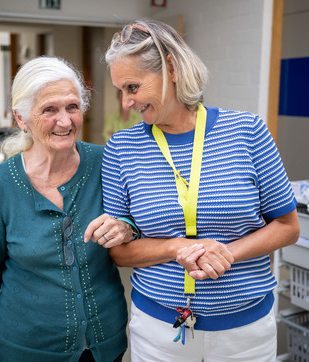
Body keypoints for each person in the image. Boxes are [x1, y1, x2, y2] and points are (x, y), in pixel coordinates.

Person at [102, 19, 300, 362]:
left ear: (172, 68)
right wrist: (179, 247)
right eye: (120, 91)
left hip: (246, 332)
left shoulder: (247, 131)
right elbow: (120, 252)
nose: (126, 102)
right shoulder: (123, 146)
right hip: (159, 331)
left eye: (132, 87)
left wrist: (228, 253)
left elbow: (287, 227)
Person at [0, 56, 138, 362]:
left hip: (104, 346)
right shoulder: (0, 185)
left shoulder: (106, 163)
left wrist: (128, 227)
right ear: (22, 119)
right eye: (49, 110)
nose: (65, 120)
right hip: (28, 350)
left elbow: (140, 220)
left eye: (72, 107)